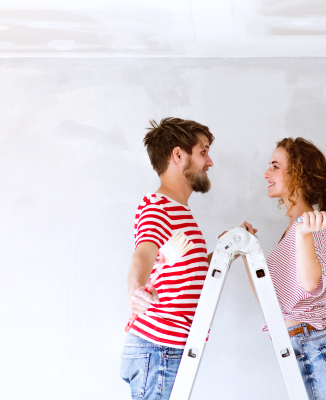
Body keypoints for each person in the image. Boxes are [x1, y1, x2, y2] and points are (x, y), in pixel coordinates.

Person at [242, 137, 326, 400]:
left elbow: (310, 283)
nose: (266, 173)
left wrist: (305, 235)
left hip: (314, 346)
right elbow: (268, 298)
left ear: (298, 176)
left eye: (275, 166)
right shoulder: (298, 228)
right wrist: (250, 252)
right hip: (303, 344)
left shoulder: (309, 227)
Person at [120, 117, 215, 400]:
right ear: (178, 155)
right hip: (159, 348)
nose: (209, 162)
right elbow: (143, 253)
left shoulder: (179, 213)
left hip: (164, 349)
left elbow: (187, 271)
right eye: (203, 151)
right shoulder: (157, 208)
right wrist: (135, 289)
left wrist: (225, 251)